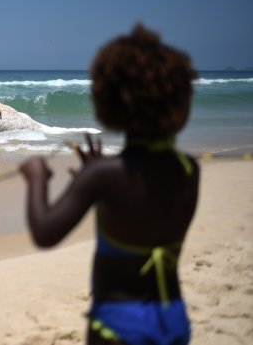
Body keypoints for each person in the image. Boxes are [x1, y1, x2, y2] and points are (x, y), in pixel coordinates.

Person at [20, 24, 199, 345]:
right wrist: (99, 180)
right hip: (172, 320)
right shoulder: (189, 169)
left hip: (118, 326)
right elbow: (145, 211)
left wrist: (37, 178)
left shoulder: (102, 176)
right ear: (181, 103)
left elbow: (45, 232)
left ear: (109, 103)